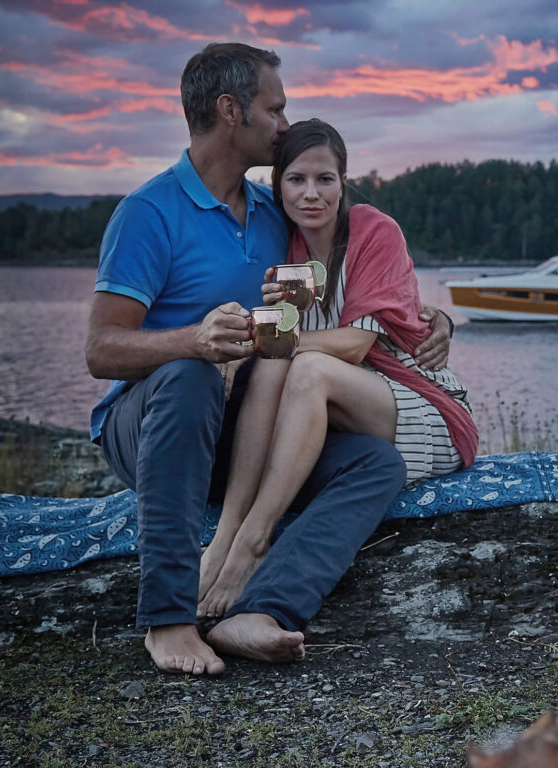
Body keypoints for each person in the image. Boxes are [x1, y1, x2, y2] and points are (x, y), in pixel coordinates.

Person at [85, 43, 453, 674]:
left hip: (243, 426)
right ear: (231, 111)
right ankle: (169, 619)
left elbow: (350, 293)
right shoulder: (149, 213)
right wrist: (192, 342)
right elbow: (101, 350)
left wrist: (435, 321)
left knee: (374, 462)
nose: (284, 125)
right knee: (190, 376)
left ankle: (259, 610)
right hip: (152, 425)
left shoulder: (271, 211)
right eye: (274, 108)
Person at [196, 119, 479, 619]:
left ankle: (254, 541)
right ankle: (226, 535)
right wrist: (238, 347)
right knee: (274, 366)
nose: (311, 194)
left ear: (343, 182)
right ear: (277, 185)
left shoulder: (373, 230)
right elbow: (274, 346)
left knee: (302, 366)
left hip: (421, 405)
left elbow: (353, 346)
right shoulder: (290, 248)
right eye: (296, 180)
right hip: (350, 404)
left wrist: (272, 341)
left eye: (325, 179)